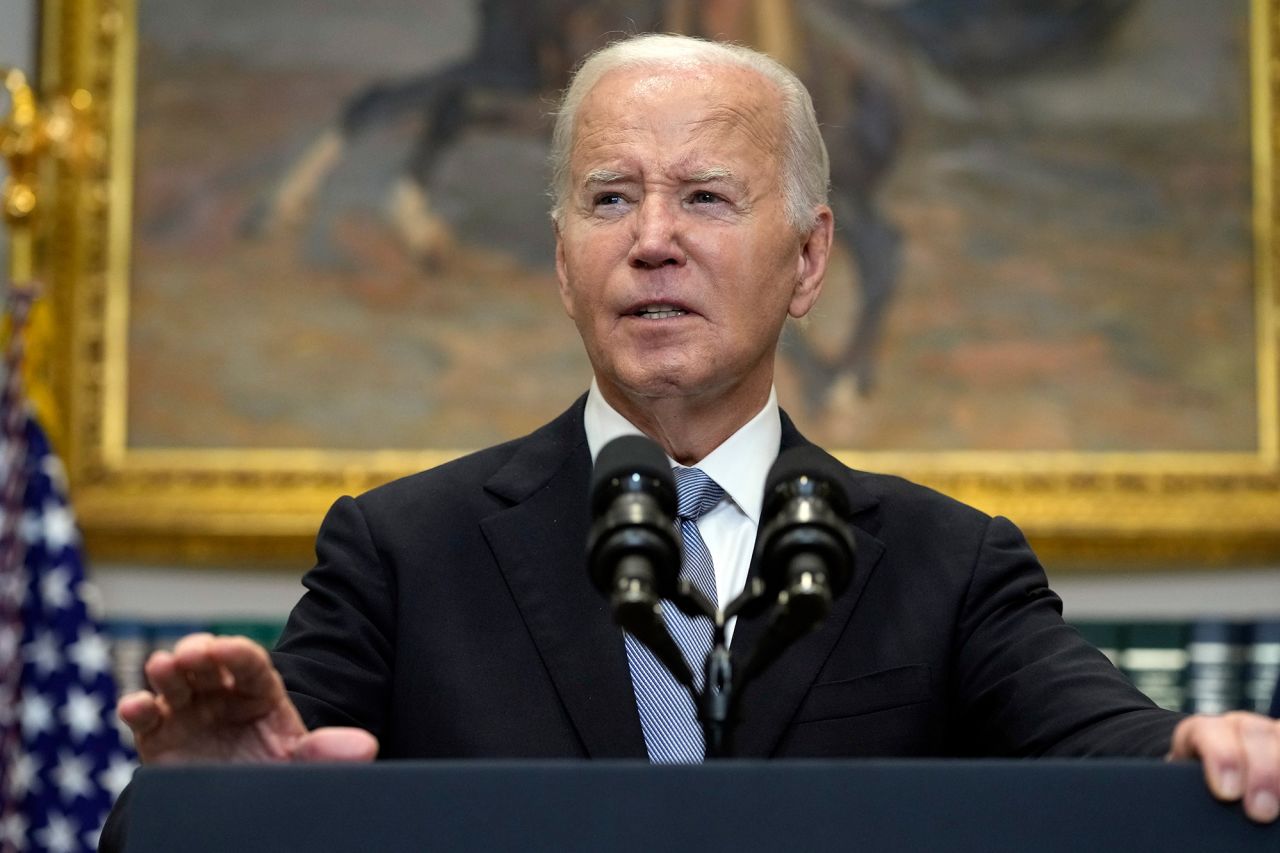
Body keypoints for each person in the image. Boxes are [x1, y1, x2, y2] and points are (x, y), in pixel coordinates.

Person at [114, 33, 1280, 828]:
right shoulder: (402, 553)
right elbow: (258, 787)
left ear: (810, 258)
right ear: (563, 261)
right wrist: (205, 804)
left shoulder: (944, 564)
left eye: (706, 196)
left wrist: (1203, 758)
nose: (652, 239)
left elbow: (1114, 751)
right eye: (609, 197)